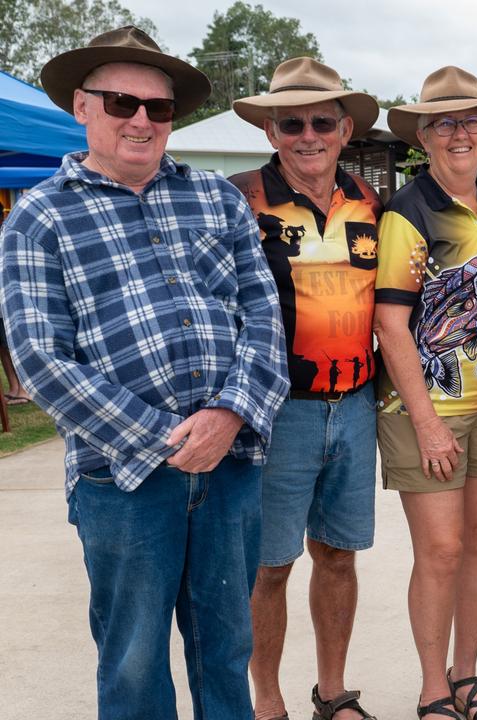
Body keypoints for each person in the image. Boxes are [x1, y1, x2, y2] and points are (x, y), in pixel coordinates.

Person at [0, 26, 289, 719]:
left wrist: (228, 416)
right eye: (122, 101)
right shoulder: (40, 217)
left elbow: (265, 316)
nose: (140, 119)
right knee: (132, 664)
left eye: (157, 108)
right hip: (122, 481)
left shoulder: (218, 199)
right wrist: (172, 438)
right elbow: (41, 358)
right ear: (81, 106)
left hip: (231, 467)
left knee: (226, 652)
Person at [228, 57, 382, 720]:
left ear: (345, 129)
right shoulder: (239, 198)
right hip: (276, 411)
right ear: (271, 131)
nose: (308, 134)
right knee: (270, 567)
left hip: (356, 405)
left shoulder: (373, 202)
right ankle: (267, 698)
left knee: (340, 557)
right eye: (292, 122)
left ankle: (332, 690)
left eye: (323, 121)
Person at [375, 66, 477, 720]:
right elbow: (389, 322)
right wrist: (428, 423)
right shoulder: (408, 212)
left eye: (470, 120)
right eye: (444, 122)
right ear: (423, 137)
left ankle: (467, 676)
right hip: (427, 411)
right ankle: (434, 688)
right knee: (440, 550)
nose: (459, 133)